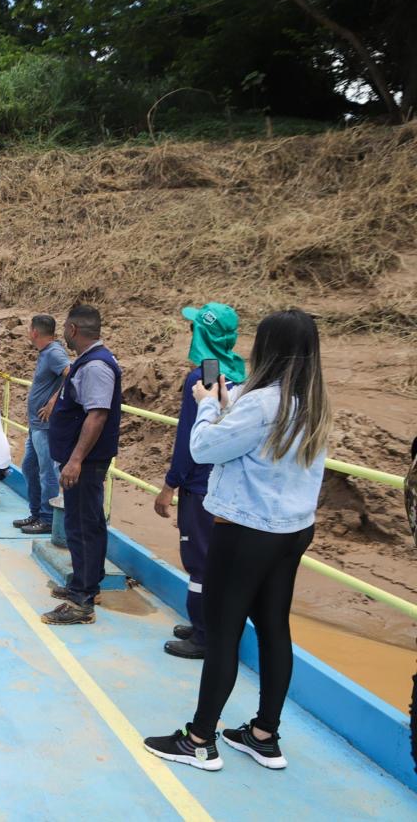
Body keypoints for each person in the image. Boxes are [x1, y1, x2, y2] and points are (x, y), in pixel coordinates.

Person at [144, 309, 330, 772]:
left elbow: (203, 448)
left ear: (266, 347)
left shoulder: (262, 403)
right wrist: (229, 404)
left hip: (246, 531)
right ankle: (264, 735)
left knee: (224, 631)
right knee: (273, 628)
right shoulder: (313, 402)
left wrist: (208, 403)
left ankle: (199, 739)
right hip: (291, 531)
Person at [154, 303, 247, 660]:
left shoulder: (201, 380)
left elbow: (189, 441)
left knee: (198, 560)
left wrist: (169, 486)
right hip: (226, 486)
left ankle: (204, 636)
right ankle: (205, 625)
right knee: (216, 559)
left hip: (199, 486)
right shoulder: (238, 374)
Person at [42, 305, 122, 626]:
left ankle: (82, 601)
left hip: (85, 463)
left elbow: (97, 413)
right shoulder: (88, 362)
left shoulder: (97, 366)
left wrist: (75, 459)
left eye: (65, 327)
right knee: (85, 522)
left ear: (73, 330)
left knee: (82, 526)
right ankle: (85, 582)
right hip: (83, 460)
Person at [14, 315, 70, 536]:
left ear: (35, 332)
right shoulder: (46, 353)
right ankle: (36, 512)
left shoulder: (54, 353)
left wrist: (53, 400)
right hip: (36, 425)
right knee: (30, 467)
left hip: (45, 427)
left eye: (29, 329)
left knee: (47, 472)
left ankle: (46, 518)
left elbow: (71, 373)